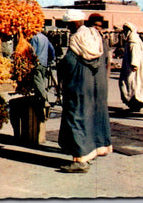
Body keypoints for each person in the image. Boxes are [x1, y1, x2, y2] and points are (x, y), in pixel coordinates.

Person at [57, 9, 112, 173]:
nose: (67, 29)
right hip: (95, 87)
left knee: (77, 119)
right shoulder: (95, 36)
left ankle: (80, 160)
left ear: (74, 23)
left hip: (79, 87)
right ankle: (91, 153)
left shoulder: (76, 39)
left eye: (68, 25)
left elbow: (70, 62)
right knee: (91, 119)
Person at [119, 22, 143, 112]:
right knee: (133, 85)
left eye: (126, 30)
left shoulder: (133, 41)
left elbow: (135, 53)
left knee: (132, 84)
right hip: (130, 66)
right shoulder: (132, 39)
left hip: (133, 68)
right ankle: (134, 103)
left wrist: (134, 65)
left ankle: (135, 103)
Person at [30, 31, 56, 115]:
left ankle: (45, 100)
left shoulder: (34, 38)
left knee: (38, 83)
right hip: (44, 64)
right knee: (42, 82)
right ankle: (41, 107)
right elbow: (52, 50)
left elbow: (33, 52)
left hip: (37, 64)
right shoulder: (45, 38)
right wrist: (50, 60)